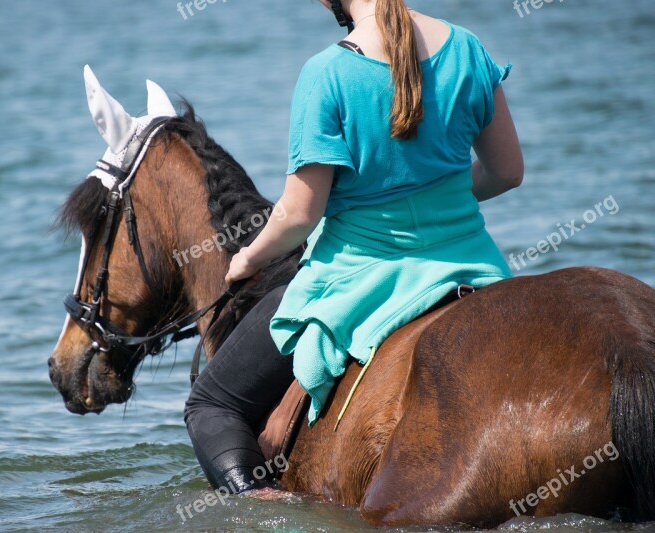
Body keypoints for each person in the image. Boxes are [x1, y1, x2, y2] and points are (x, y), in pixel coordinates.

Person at [184, 0, 523, 494]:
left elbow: (300, 214)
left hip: (358, 279)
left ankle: (262, 517)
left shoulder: (328, 73)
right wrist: (434, 198)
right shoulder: (468, 48)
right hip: (473, 267)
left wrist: (246, 259)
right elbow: (506, 171)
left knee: (212, 405)